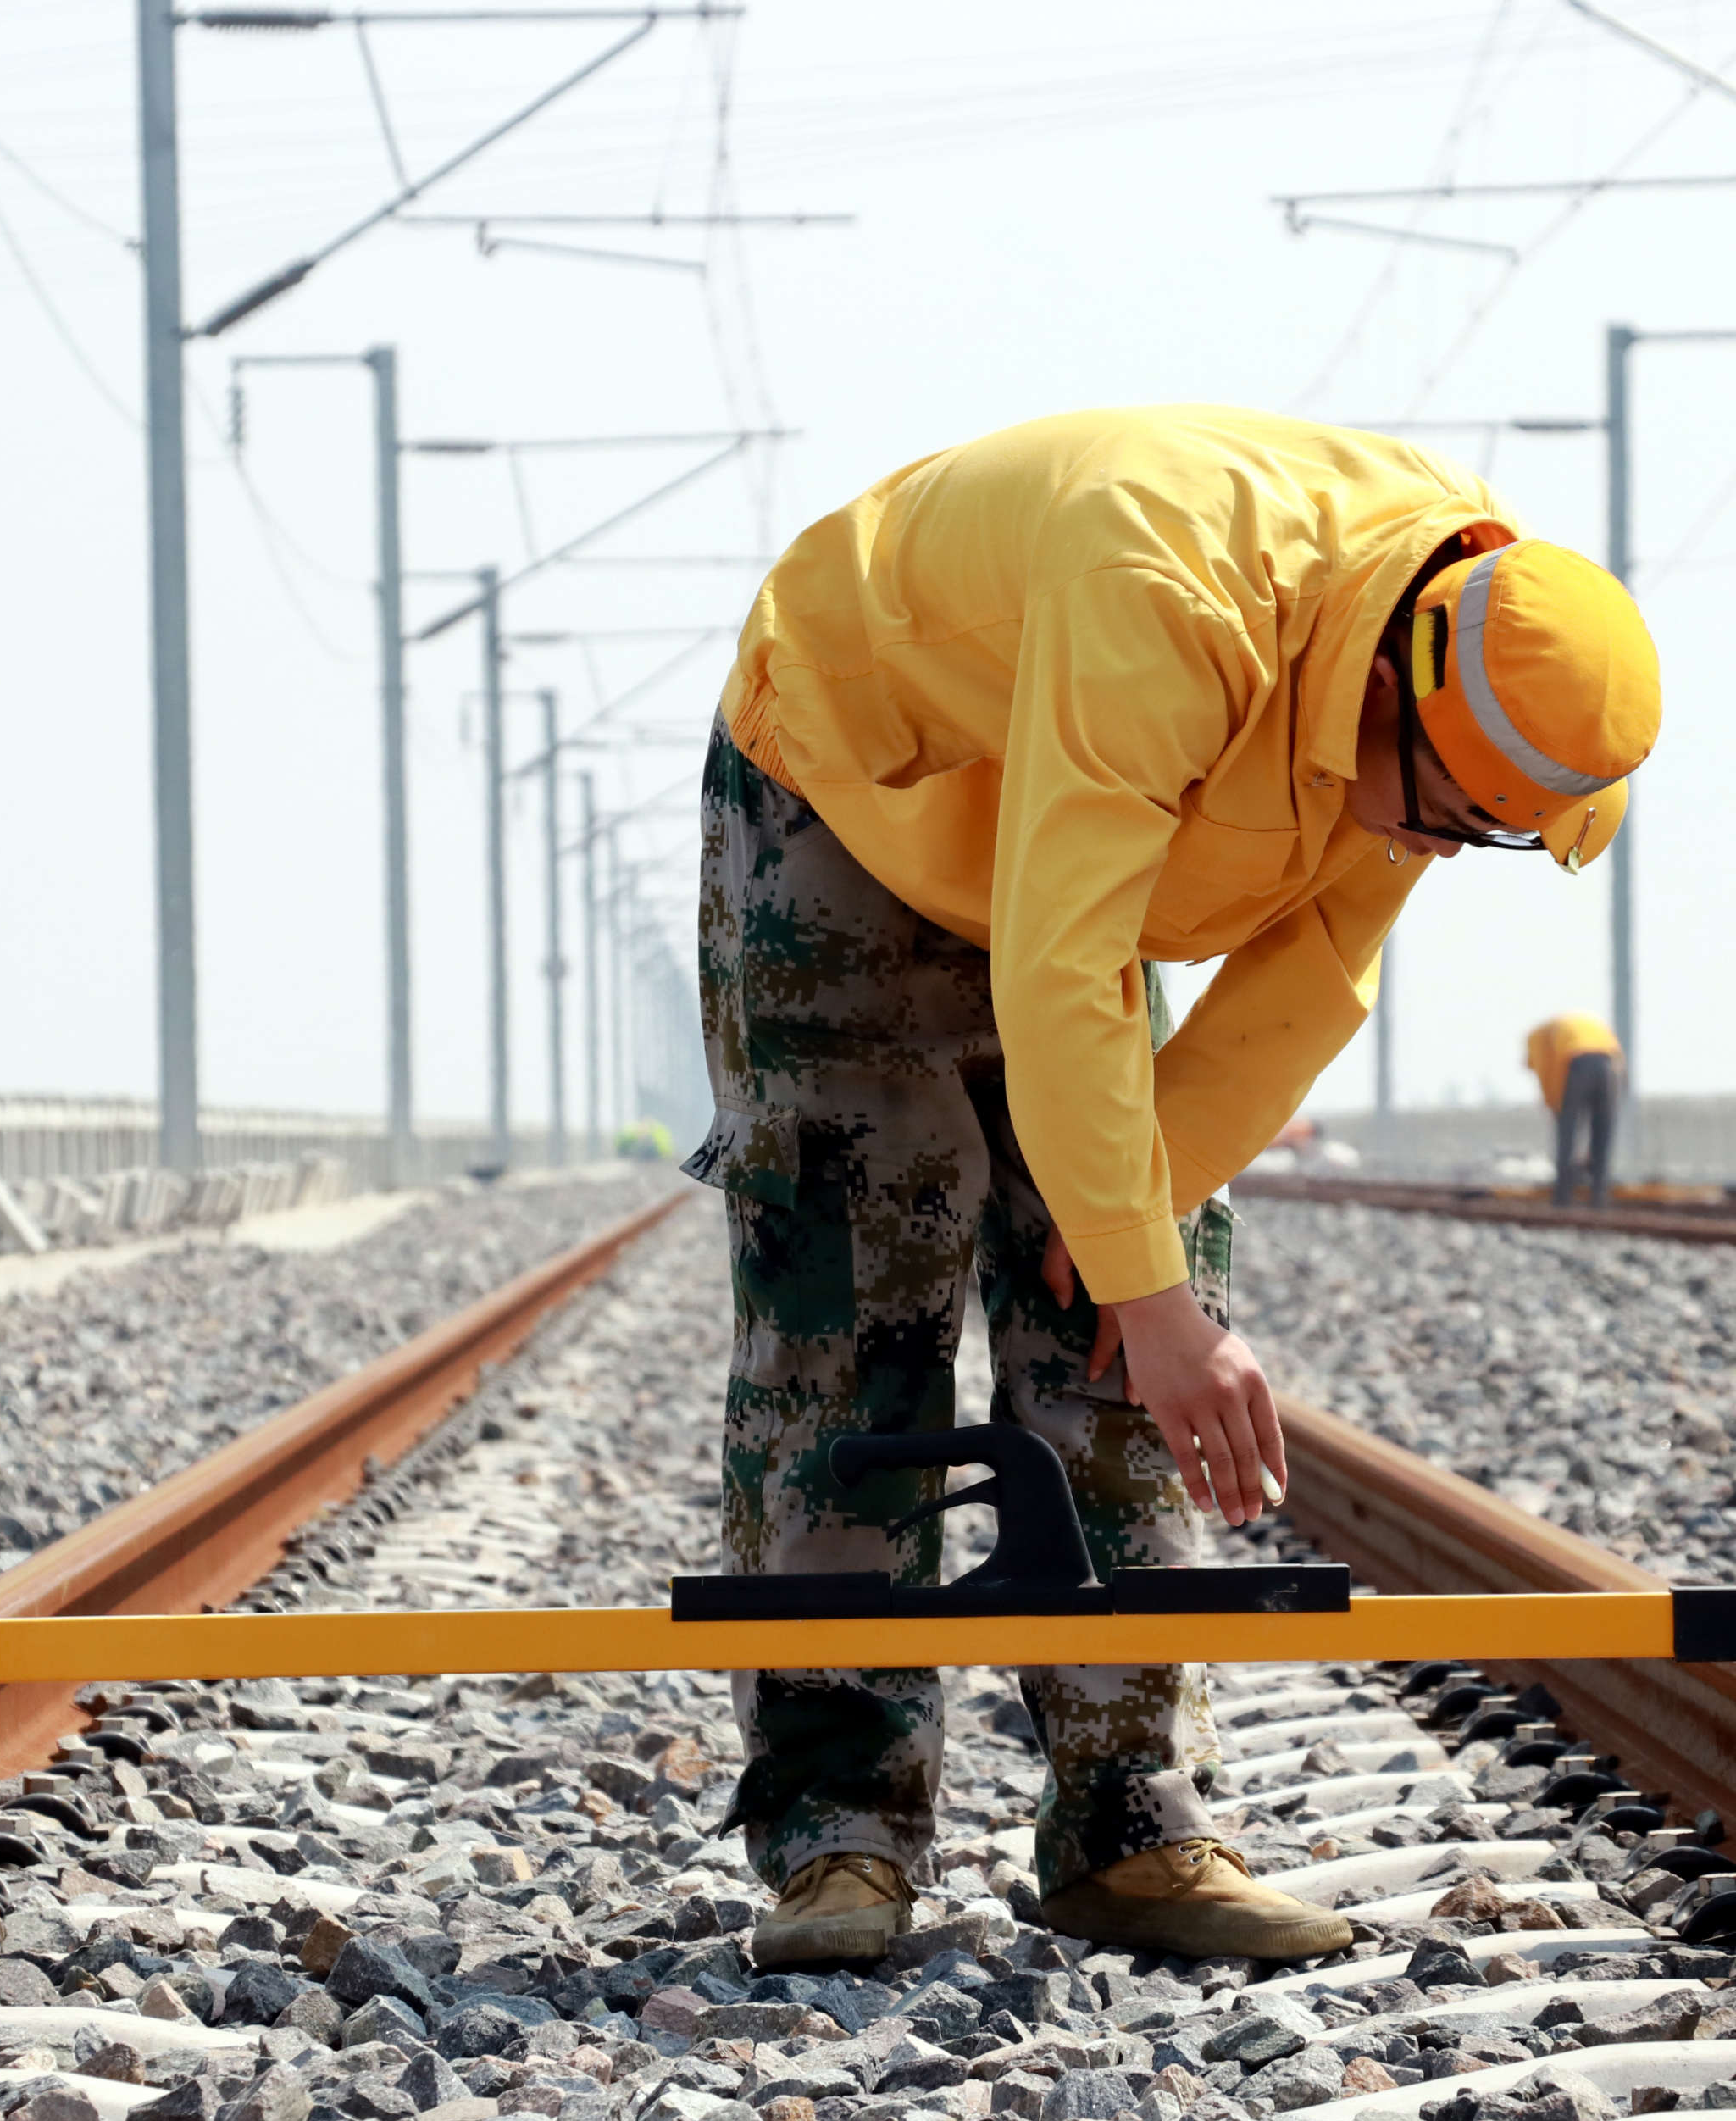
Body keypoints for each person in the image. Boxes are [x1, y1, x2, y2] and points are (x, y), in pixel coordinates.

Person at [686, 405, 1659, 1968]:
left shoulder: (1467, 641)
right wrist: (1140, 1274)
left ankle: (1129, 1823)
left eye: (1491, 834)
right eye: (1448, 816)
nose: (1447, 851)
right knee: (856, 1284)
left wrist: (1133, 1251)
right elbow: (1061, 960)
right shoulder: (1174, 593)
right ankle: (841, 1833)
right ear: (1396, 692)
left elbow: (1308, 975)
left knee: (1126, 1321)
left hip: (1068, 833)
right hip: (859, 785)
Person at [1528, 1014, 1623, 1207]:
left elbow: (1547, 1071)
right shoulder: (1589, 1028)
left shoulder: (1535, 1038)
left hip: (1577, 1065)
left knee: (1568, 1131)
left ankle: (1562, 1196)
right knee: (1603, 1132)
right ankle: (1599, 1195)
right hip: (1611, 1064)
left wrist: (1553, 1104)